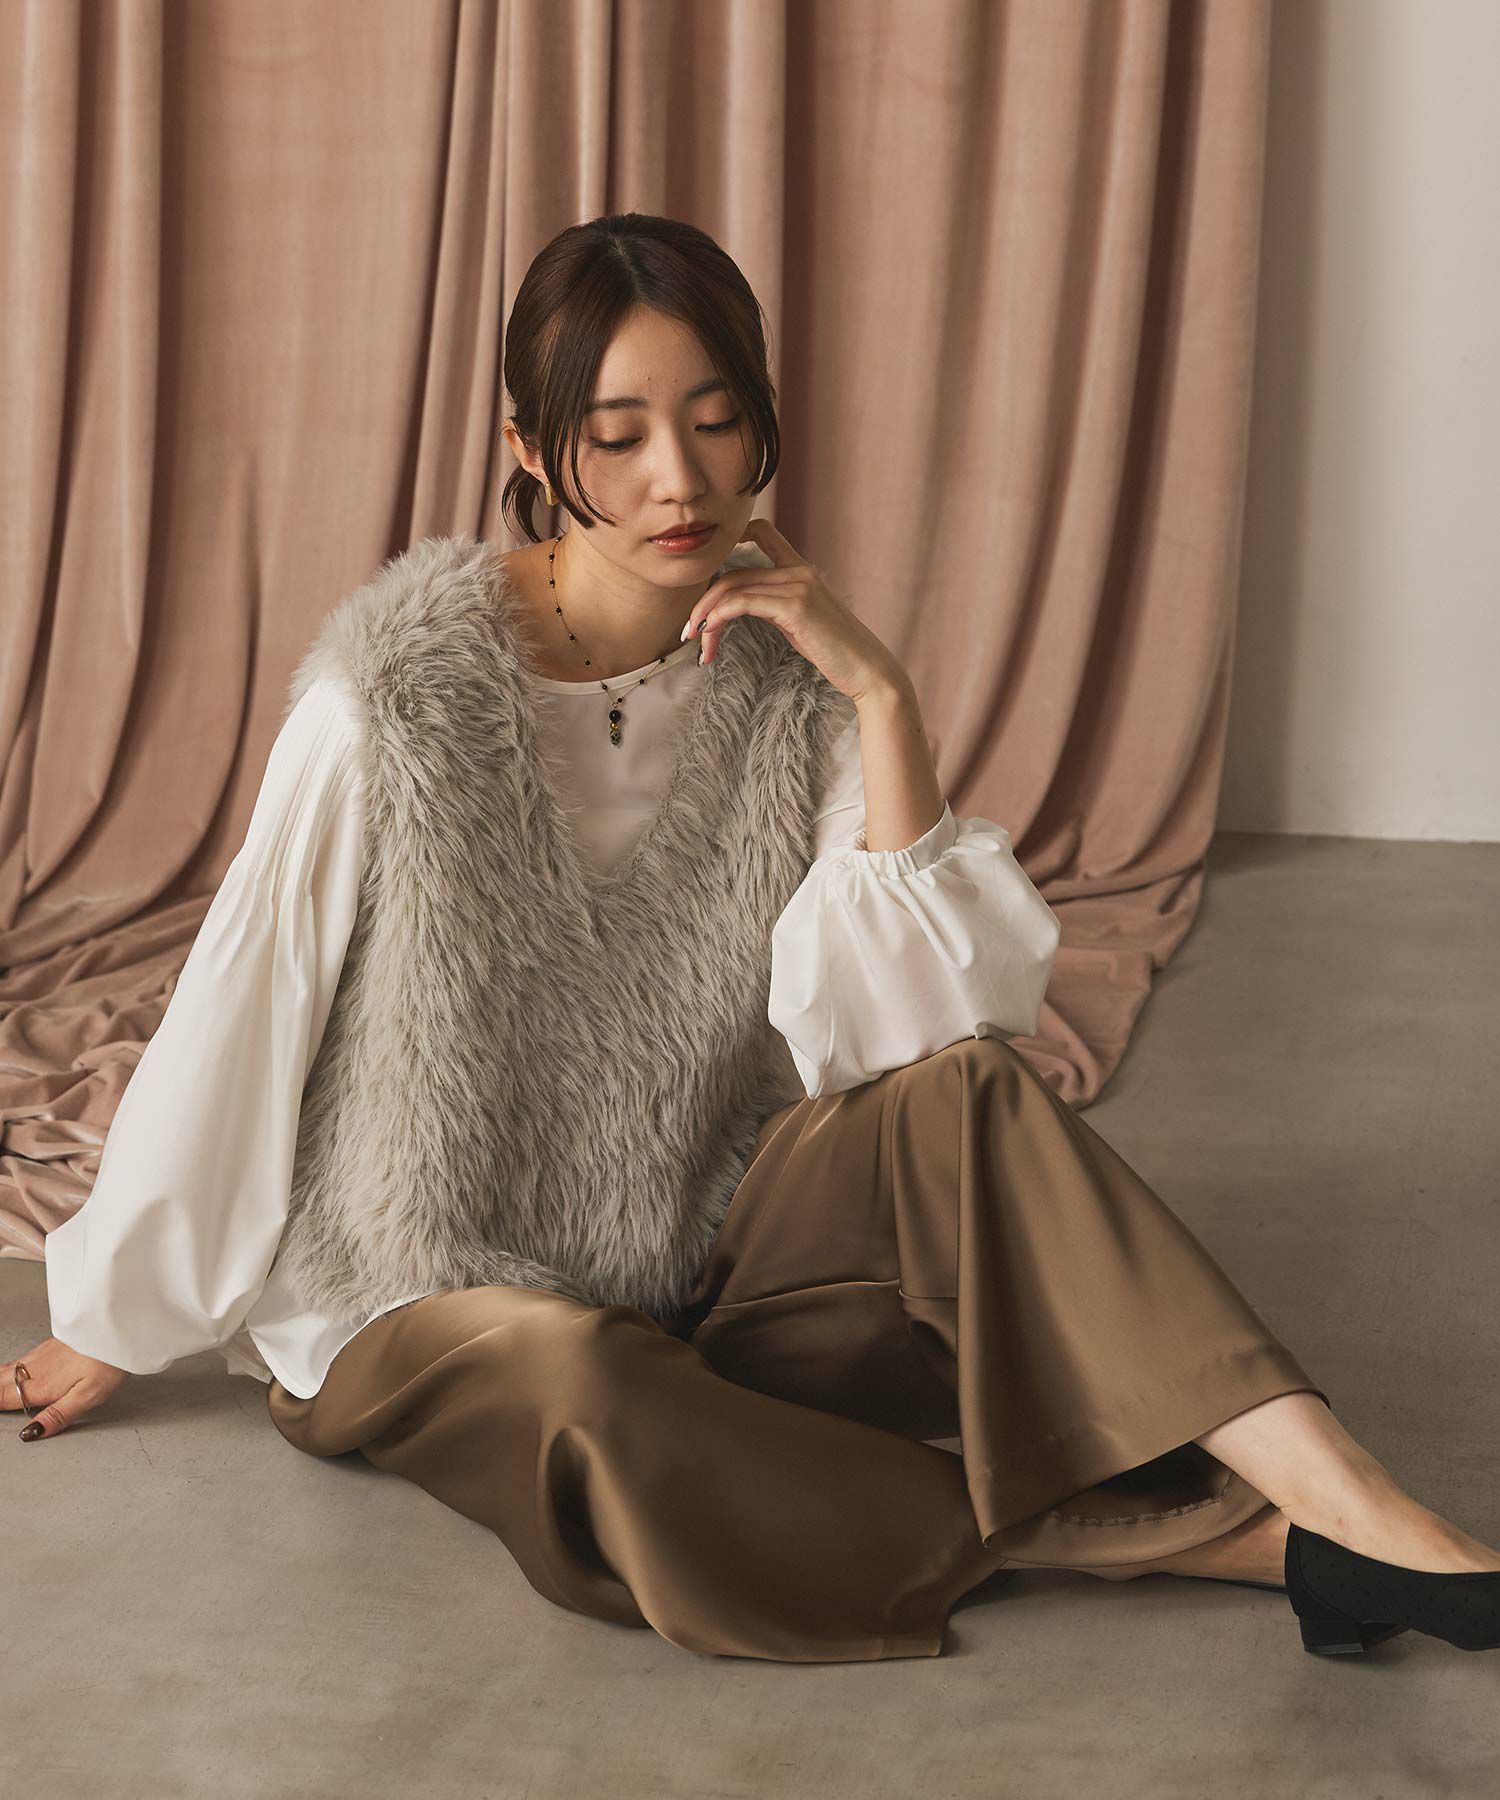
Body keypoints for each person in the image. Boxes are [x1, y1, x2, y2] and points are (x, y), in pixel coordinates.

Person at [8, 212, 1500, 1665]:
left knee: (976, 1095)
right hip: (422, 1291)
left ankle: (1350, 1499)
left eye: (717, 422)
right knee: (585, 1378)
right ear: (531, 448)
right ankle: (1242, 1544)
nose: (681, 479)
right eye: (617, 437)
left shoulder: (787, 684)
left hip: (698, 1267)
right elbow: (248, 1003)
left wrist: (880, 697)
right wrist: (117, 1317)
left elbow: (923, 1040)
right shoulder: (389, 698)